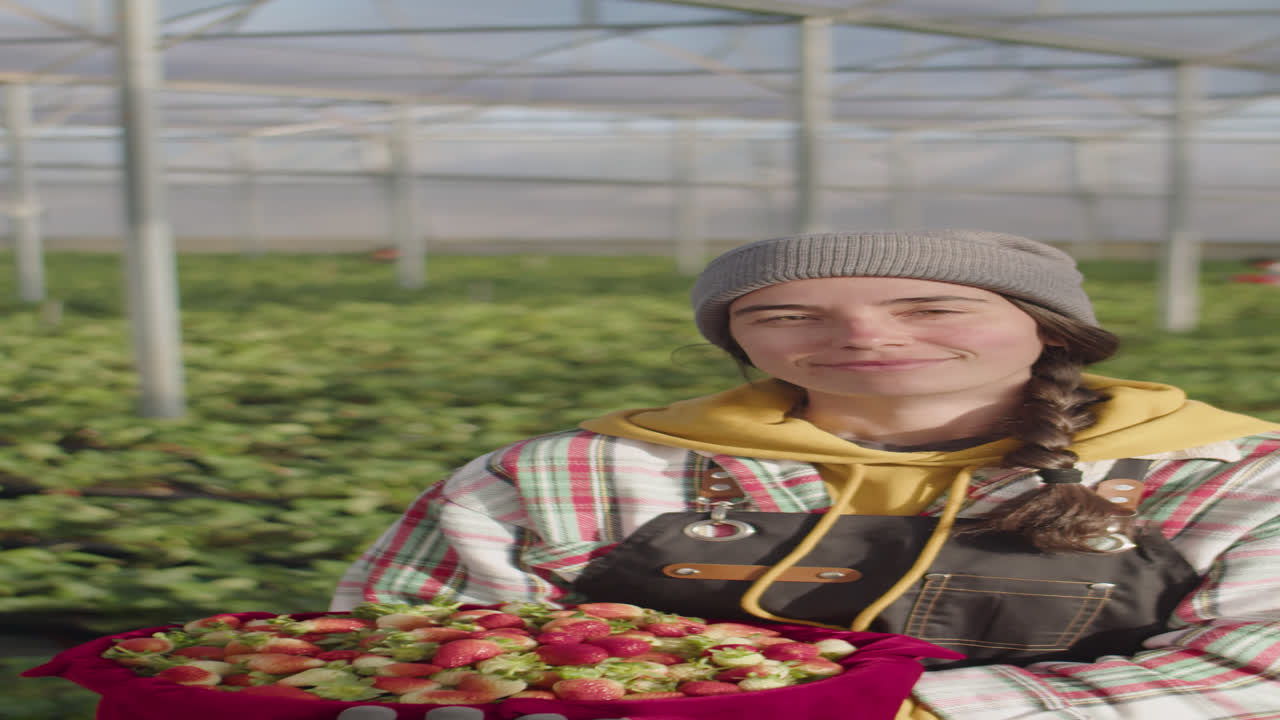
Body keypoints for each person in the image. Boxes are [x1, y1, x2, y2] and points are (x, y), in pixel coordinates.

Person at [333, 230, 1280, 718]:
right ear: (738, 338)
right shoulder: (570, 472)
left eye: (932, 306)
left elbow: (1252, 678)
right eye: (787, 315)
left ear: (1049, 329)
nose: (864, 336)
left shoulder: (1228, 473)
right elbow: (416, 641)